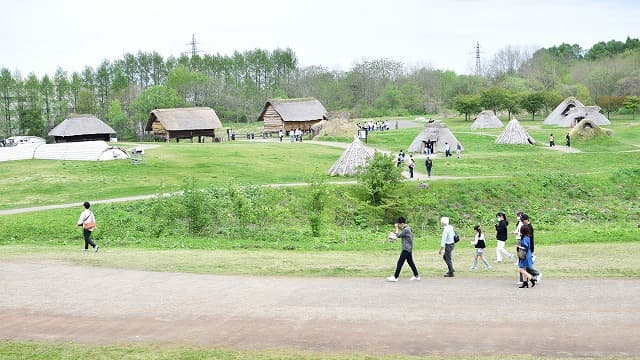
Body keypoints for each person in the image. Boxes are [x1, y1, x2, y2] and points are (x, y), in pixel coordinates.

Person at [387, 217, 420, 282]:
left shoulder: (406, 230)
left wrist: (396, 229)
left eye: (399, 225)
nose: (399, 226)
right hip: (409, 248)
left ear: (402, 223)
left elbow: (398, 235)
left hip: (406, 249)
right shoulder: (408, 228)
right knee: (410, 262)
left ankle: (395, 277)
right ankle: (416, 275)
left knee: (400, 262)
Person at [520, 213, 541, 282]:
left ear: (527, 220)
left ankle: (536, 274)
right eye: (521, 221)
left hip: (528, 248)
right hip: (527, 248)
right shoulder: (526, 226)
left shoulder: (529, 227)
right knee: (524, 265)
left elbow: (529, 240)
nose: (522, 222)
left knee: (525, 265)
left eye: (523, 221)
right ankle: (525, 280)